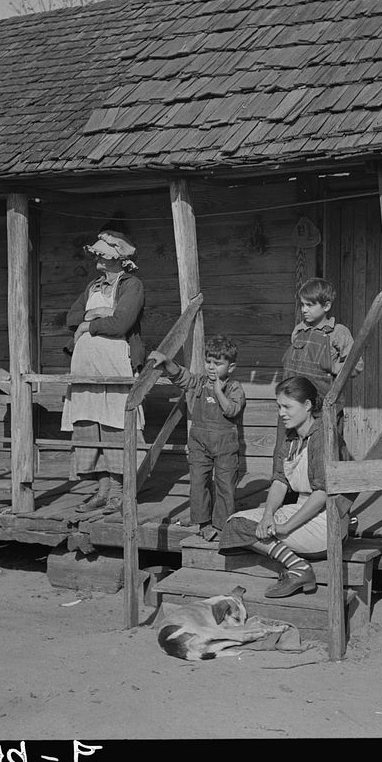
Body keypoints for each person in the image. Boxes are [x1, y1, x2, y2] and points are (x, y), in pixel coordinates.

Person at [219, 376, 350, 599]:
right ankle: (298, 565)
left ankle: (299, 569)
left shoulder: (323, 437)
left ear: (307, 405)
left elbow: (322, 493)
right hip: (300, 509)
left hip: (326, 519)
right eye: (279, 407)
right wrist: (268, 515)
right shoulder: (291, 439)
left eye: (287, 407)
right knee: (234, 524)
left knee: (245, 530)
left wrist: (286, 527)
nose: (281, 413)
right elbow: (280, 481)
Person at [61, 226, 145, 515]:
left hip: (115, 366)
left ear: (118, 258)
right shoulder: (93, 286)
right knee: (89, 427)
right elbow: (71, 318)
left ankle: (119, 493)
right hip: (84, 368)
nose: (98, 258)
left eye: (104, 255)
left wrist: (89, 325)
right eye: (97, 254)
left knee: (115, 426)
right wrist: (95, 315)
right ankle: (102, 490)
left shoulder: (132, 285)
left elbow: (121, 323)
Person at [147, 336, 246, 542]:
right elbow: (182, 377)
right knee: (199, 482)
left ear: (231, 366)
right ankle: (203, 523)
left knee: (225, 485)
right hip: (199, 443)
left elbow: (232, 410)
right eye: (208, 361)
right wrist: (167, 362)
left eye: (217, 363)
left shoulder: (234, 388)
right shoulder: (200, 382)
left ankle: (222, 525)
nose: (211, 367)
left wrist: (218, 392)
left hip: (225, 445)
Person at [273, 276, 362, 482]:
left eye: (310, 305)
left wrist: (333, 367)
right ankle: (287, 493)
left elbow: (356, 365)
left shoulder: (338, 333)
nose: (304, 310)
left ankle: (331, 494)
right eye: (302, 305)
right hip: (292, 406)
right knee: (285, 451)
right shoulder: (299, 330)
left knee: (324, 453)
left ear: (326, 306)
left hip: (322, 409)